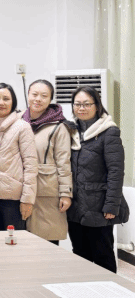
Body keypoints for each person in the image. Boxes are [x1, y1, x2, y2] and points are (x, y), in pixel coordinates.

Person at [67, 86, 130, 273]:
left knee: (103, 255)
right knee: (80, 254)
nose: (82, 108)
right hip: (75, 207)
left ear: (97, 106)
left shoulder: (109, 132)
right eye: (77, 104)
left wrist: (111, 206)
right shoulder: (71, 131)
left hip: (99, 207)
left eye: (87, 104)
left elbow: (116, 172)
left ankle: (109, 288)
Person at [23, 79, 72, 245]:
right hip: (21, 190)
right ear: (28, 95)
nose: (38, 99)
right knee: (21, 244)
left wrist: (66, 193)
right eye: (34, 94)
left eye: (44, 96)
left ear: (50, 99)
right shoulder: (18, 121)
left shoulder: (59, 126)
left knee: (47, 243)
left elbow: (64, 163)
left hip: (47, 193)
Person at [0, 83, 38, 231]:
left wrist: (27, 199)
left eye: (6, 99)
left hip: (13, 199)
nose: (1, 103)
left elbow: (31, 166)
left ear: (13, 102)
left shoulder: (22, 127)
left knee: (14, 241)